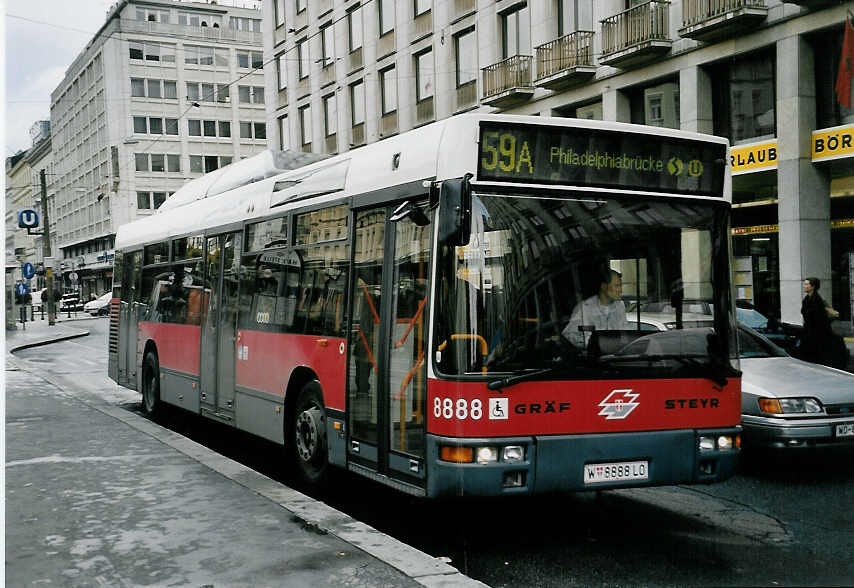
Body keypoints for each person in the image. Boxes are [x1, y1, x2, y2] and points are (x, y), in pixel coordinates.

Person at [562, 269, 627, 349]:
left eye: (621, 285)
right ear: (603, 286)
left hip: (616, 356)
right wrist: (588, 346)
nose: (621, 290)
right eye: (617, 286)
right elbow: (570, 334)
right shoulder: (585, 307)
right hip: (594, 358)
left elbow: (624, 333)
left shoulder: (620, 306)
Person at [800, 277, 833, 365]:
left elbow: (818, 318)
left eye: (807, 284)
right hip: (810, 331)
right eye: (804, 284)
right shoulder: (807, 299)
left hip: (817, 333)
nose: (804, 286)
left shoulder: (817, 300)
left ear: (813, 287)